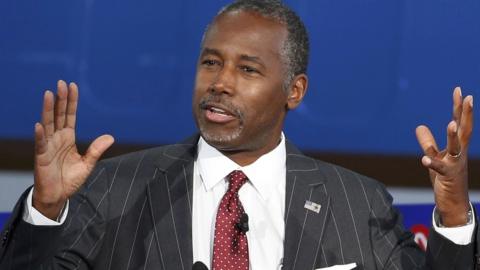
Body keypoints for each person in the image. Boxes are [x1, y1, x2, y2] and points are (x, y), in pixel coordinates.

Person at [0, 1, 477, 269]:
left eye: (247, 69)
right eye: (210, 62)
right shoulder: (113, 190)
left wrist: (454, 211)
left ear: (294, 90)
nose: (220, 83)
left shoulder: (359, 204)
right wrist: (46, 212)